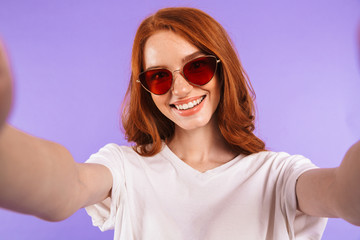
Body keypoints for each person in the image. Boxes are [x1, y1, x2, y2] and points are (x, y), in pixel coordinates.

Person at [0, 7, 359, 240]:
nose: (180, 88)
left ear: (224, 69)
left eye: (196, 66)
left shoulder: (278, 175)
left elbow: (344, 194)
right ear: (145, 89)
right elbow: (68, 186)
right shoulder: (126, 169)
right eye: (159, 76)